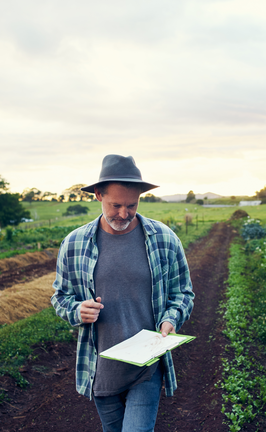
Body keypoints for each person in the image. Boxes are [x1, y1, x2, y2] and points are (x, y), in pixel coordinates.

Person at [51, 154, 194, 432]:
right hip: (101, 369)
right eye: (115, 205)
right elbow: (60, 296)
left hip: (146, 368)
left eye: (132, 205)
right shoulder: (74, 244)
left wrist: (171, 318)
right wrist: (77, 310)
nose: (124, 214)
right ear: (97, 195)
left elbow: (183, 293)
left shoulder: (164, 239)